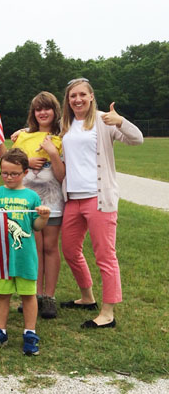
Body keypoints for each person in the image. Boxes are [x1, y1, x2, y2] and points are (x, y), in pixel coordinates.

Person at [59, 78, 143, 329]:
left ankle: (108, 312)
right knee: (70, 250)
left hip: (99, 197)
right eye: (73, 96)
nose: (78, 99)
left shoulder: (104, 120)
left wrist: (121, 122)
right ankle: (87, 297)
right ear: (68, 99)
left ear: (91, 96)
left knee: (105, 255)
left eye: (82, 94)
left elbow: (137, 139)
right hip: (72, 198)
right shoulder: (65, 124)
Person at [0, 148, 50, 356]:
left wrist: (43, 216)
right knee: (2, 294)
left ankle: (30, 332)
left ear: (25, 172)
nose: (9, 177)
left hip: (25, 256)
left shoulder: (32, 196)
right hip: (1, 256)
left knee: (28, 295)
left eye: (14, 173)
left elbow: (37, 227)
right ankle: (0, 331)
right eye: (5, 173)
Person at [12, 91, 65, 319]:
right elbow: (12, 167)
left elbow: (63, 176)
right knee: (33, 248)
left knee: (50, 247)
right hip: (26, 201)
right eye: (38, 109)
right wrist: (26, 162)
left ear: (55, 111)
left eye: (47, 108)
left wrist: (53, 155)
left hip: (51, 199)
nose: (43, 113)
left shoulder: (63, 137)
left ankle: (49, 297)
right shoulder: (23, 137)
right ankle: (32, 294)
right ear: (33, 113)